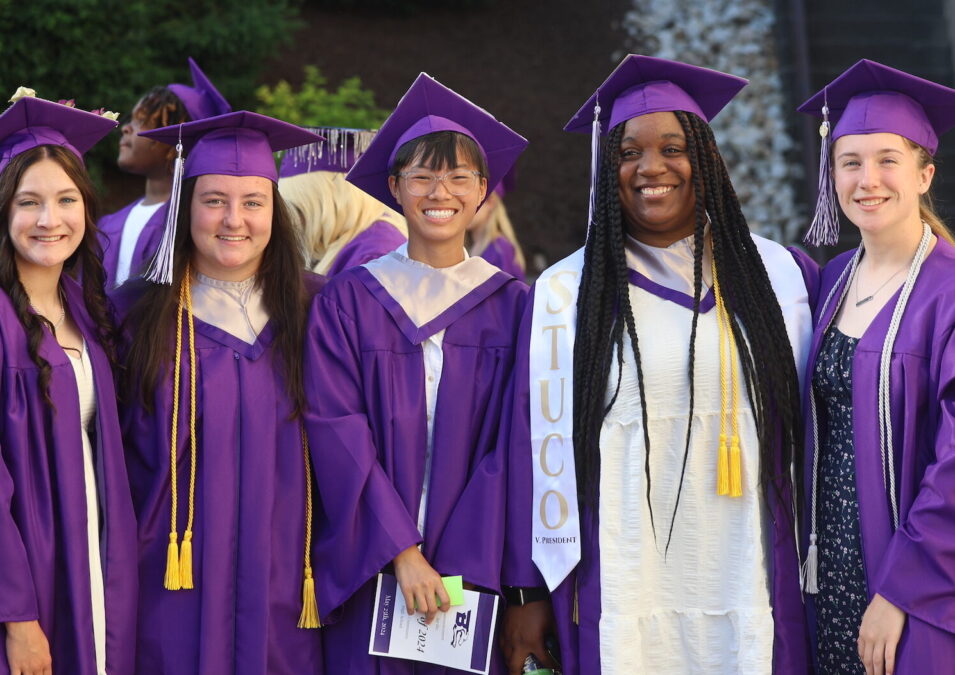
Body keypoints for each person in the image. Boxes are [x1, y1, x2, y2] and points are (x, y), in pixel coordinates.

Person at [499, 55, 814, 674]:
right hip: (621, 585)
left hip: (749, 574)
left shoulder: (779, 277)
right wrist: (527, 590)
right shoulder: (566, 295)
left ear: (707, 160)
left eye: (674, 147)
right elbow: (528, 450)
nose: (650, 168)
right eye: (627, 153)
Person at [304, 73, 528, 673]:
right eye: (423, 175)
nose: (441, 191)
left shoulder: (513, 304)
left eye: (459, 176)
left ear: (482, 191)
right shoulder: (348, 300)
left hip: (471, 572)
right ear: (395, 188)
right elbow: (334, 427)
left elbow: (513, 445)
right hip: (372, 565)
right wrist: (401, 550)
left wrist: (456, 563)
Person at [114, 111, 324, 674]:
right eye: (214, 200)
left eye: (253, 202)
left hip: (284, 580)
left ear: (274, 213)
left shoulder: (318, 312)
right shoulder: (134, 313)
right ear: (186, 206)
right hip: (166, 578)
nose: (234, 220)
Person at [798, 59, 955, 675]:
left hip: (913, 574)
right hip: (828, 564)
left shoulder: (946, 292)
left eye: (888, 159)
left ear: (924, 174)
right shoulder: (832, 279)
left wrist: (900, 591)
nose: (868, 179)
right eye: (850, 161)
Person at [0, 91, 137, 675]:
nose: (49, 220)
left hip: (94, 565)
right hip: (29, 578)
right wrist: (18, 617)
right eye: (29, 202)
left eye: (65, 199)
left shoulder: (86, 308)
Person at [99, 58, 231, 288]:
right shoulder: (108, 223)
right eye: (131, 119)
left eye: (142, 121)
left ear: (177, 142)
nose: (127, 127)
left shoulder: (187, 223)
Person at [278, 126, 407, 276]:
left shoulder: (376, 258)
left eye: (299, 209)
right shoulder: (352, 244)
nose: (294, 221)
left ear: (332, 200)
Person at [466, 169, 526, 281]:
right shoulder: (472, 246)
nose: (466, 209)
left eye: (474, 201)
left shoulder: (500, 249)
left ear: (490, 203)